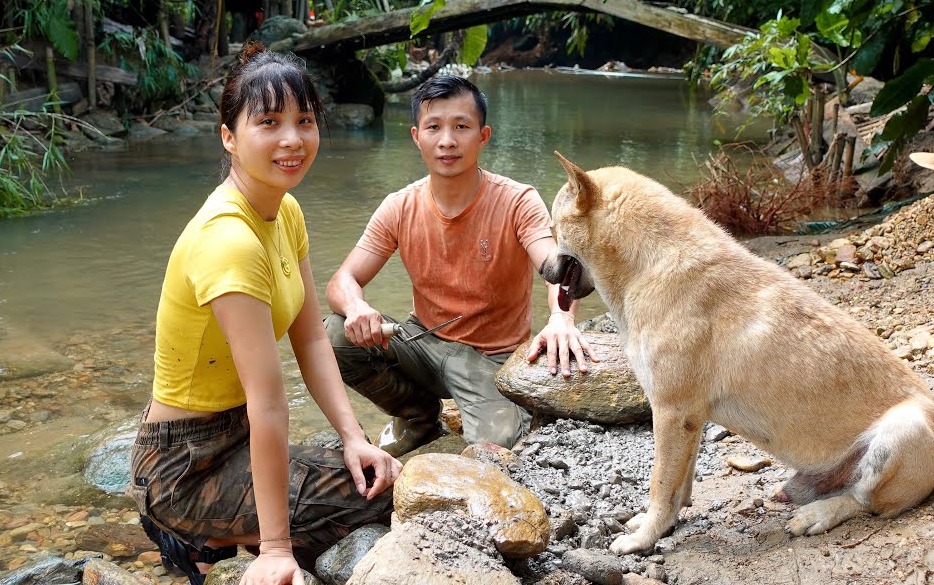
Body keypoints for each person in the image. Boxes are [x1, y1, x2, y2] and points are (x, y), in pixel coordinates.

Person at [130, 43, 400, 585]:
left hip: (233, 434)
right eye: (269, 122)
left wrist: (353, 436)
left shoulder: (285, 210)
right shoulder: (228, 240)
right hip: (183, 463)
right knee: (380, 503)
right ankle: (192, 534)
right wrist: (275, 550)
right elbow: (269, 403)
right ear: (229, 136)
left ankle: (219, 541)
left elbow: (312, 341)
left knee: (377, 475)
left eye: (305, 121)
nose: (293, 140)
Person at [325, 75, 597, 456]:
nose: (447, 141)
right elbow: (343, 280)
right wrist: (357, 308)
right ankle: (418, 415)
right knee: (333, 335)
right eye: (434, 127)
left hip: (492, 357)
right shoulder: (399, 205)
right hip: (422, 343)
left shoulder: (518, 200)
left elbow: (553, 265)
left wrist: (560, 319)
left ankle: (500, 413)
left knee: (495, 446)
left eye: (461, 127)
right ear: (416, 136)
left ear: (482, 136)